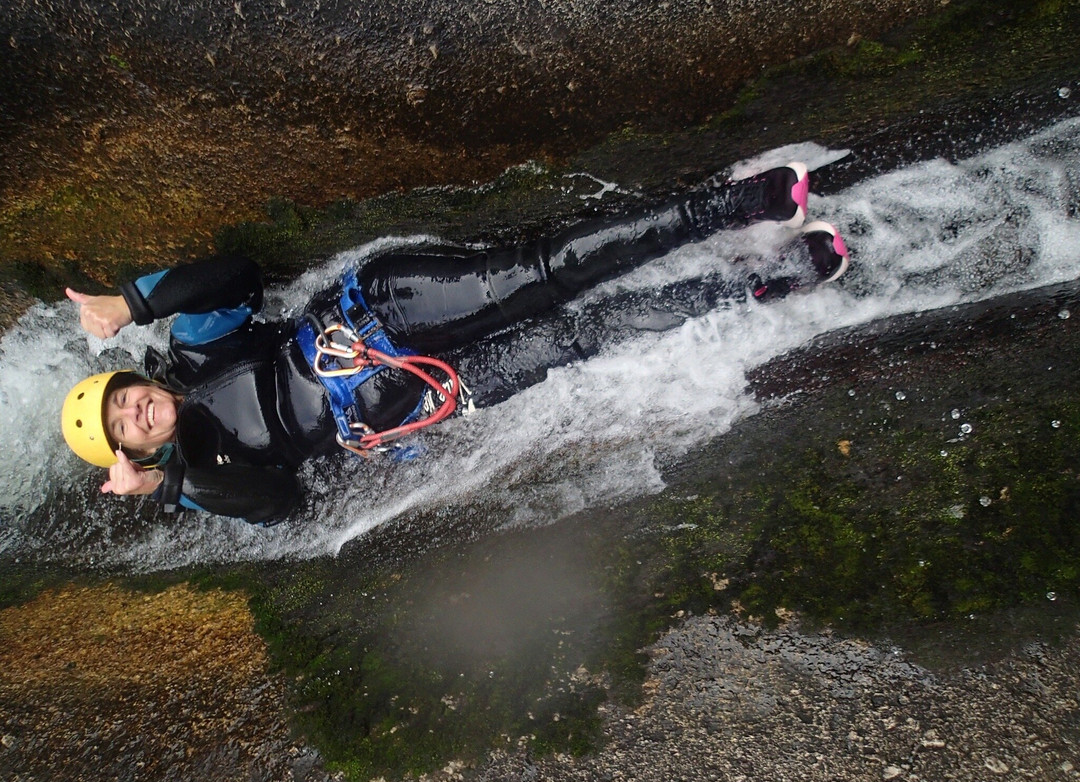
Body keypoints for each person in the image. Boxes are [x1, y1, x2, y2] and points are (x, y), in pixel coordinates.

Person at [61, 162, 849, 524]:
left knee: (543, 272)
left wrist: (133, 301)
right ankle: (761, 282)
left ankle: (740, 201)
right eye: (125, 426)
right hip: (432, 393)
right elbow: (280, 504)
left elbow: (236, 275)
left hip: (386, 308)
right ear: (133, 453)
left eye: (123, 397)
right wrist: (166, 491)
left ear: (131, 377)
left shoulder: (195, 351)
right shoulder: (202, 479)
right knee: (579, 335)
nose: (136, 410)